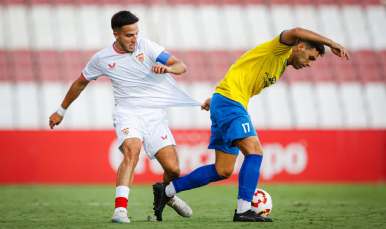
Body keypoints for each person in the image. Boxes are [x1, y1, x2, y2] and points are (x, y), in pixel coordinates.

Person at [153, 28, 350, 222]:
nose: (310, 64)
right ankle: (244, 210)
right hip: (231, 102)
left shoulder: (280, 64)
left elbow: (242, 73)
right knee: (255, 152)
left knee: (223, 169)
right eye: (311, 58)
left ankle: (167, 190)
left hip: (224, 101)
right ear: (299, 47)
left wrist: (215, 100)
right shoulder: (278, 50)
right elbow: (296, 30)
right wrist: (330, 43)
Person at [49, 11, 202, 223]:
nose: (135, 39)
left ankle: (167, 195)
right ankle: (120, 211)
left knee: (174, 169)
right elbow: (80, 83)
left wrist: (167, 68)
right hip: (127, 113)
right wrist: (61, 110)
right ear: (116, 35)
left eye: (137, 33)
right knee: (132, 151)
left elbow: (181, 65)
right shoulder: (102, 58)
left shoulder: (147, 47)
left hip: (154, 115)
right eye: (129, 35)